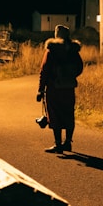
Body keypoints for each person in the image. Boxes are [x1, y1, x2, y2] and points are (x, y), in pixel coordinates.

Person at [37, 25, 83, 153]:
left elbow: (44, 71)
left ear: (56, 35)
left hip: (54, 87)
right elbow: (79, 67)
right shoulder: (73, 50)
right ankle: (67, 142)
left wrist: (40, 90)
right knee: (68, 114)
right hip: (68, 87)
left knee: (55, 114)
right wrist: (69, 76)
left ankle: (58, 144)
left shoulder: (51, 50)